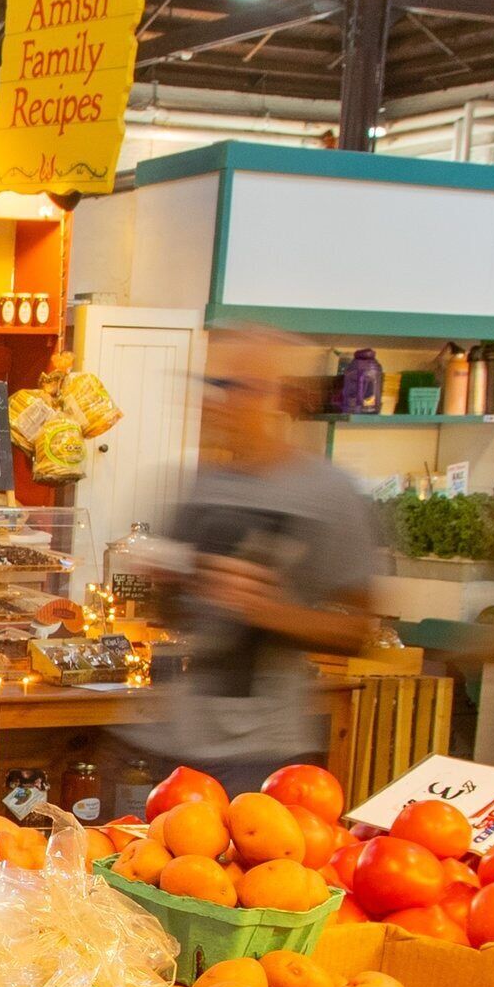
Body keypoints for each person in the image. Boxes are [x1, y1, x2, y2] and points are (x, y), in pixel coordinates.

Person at [142, 330, 388, 795]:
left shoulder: (328, 494)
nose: (217, 401)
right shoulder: (199, 483)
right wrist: (165, 583)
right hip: (172, 742)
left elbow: (359, 631)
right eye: (210, 384)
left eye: (235, 387)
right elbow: (171, 614)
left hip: (260, 757)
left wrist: (270, 611)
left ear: (280, 396)